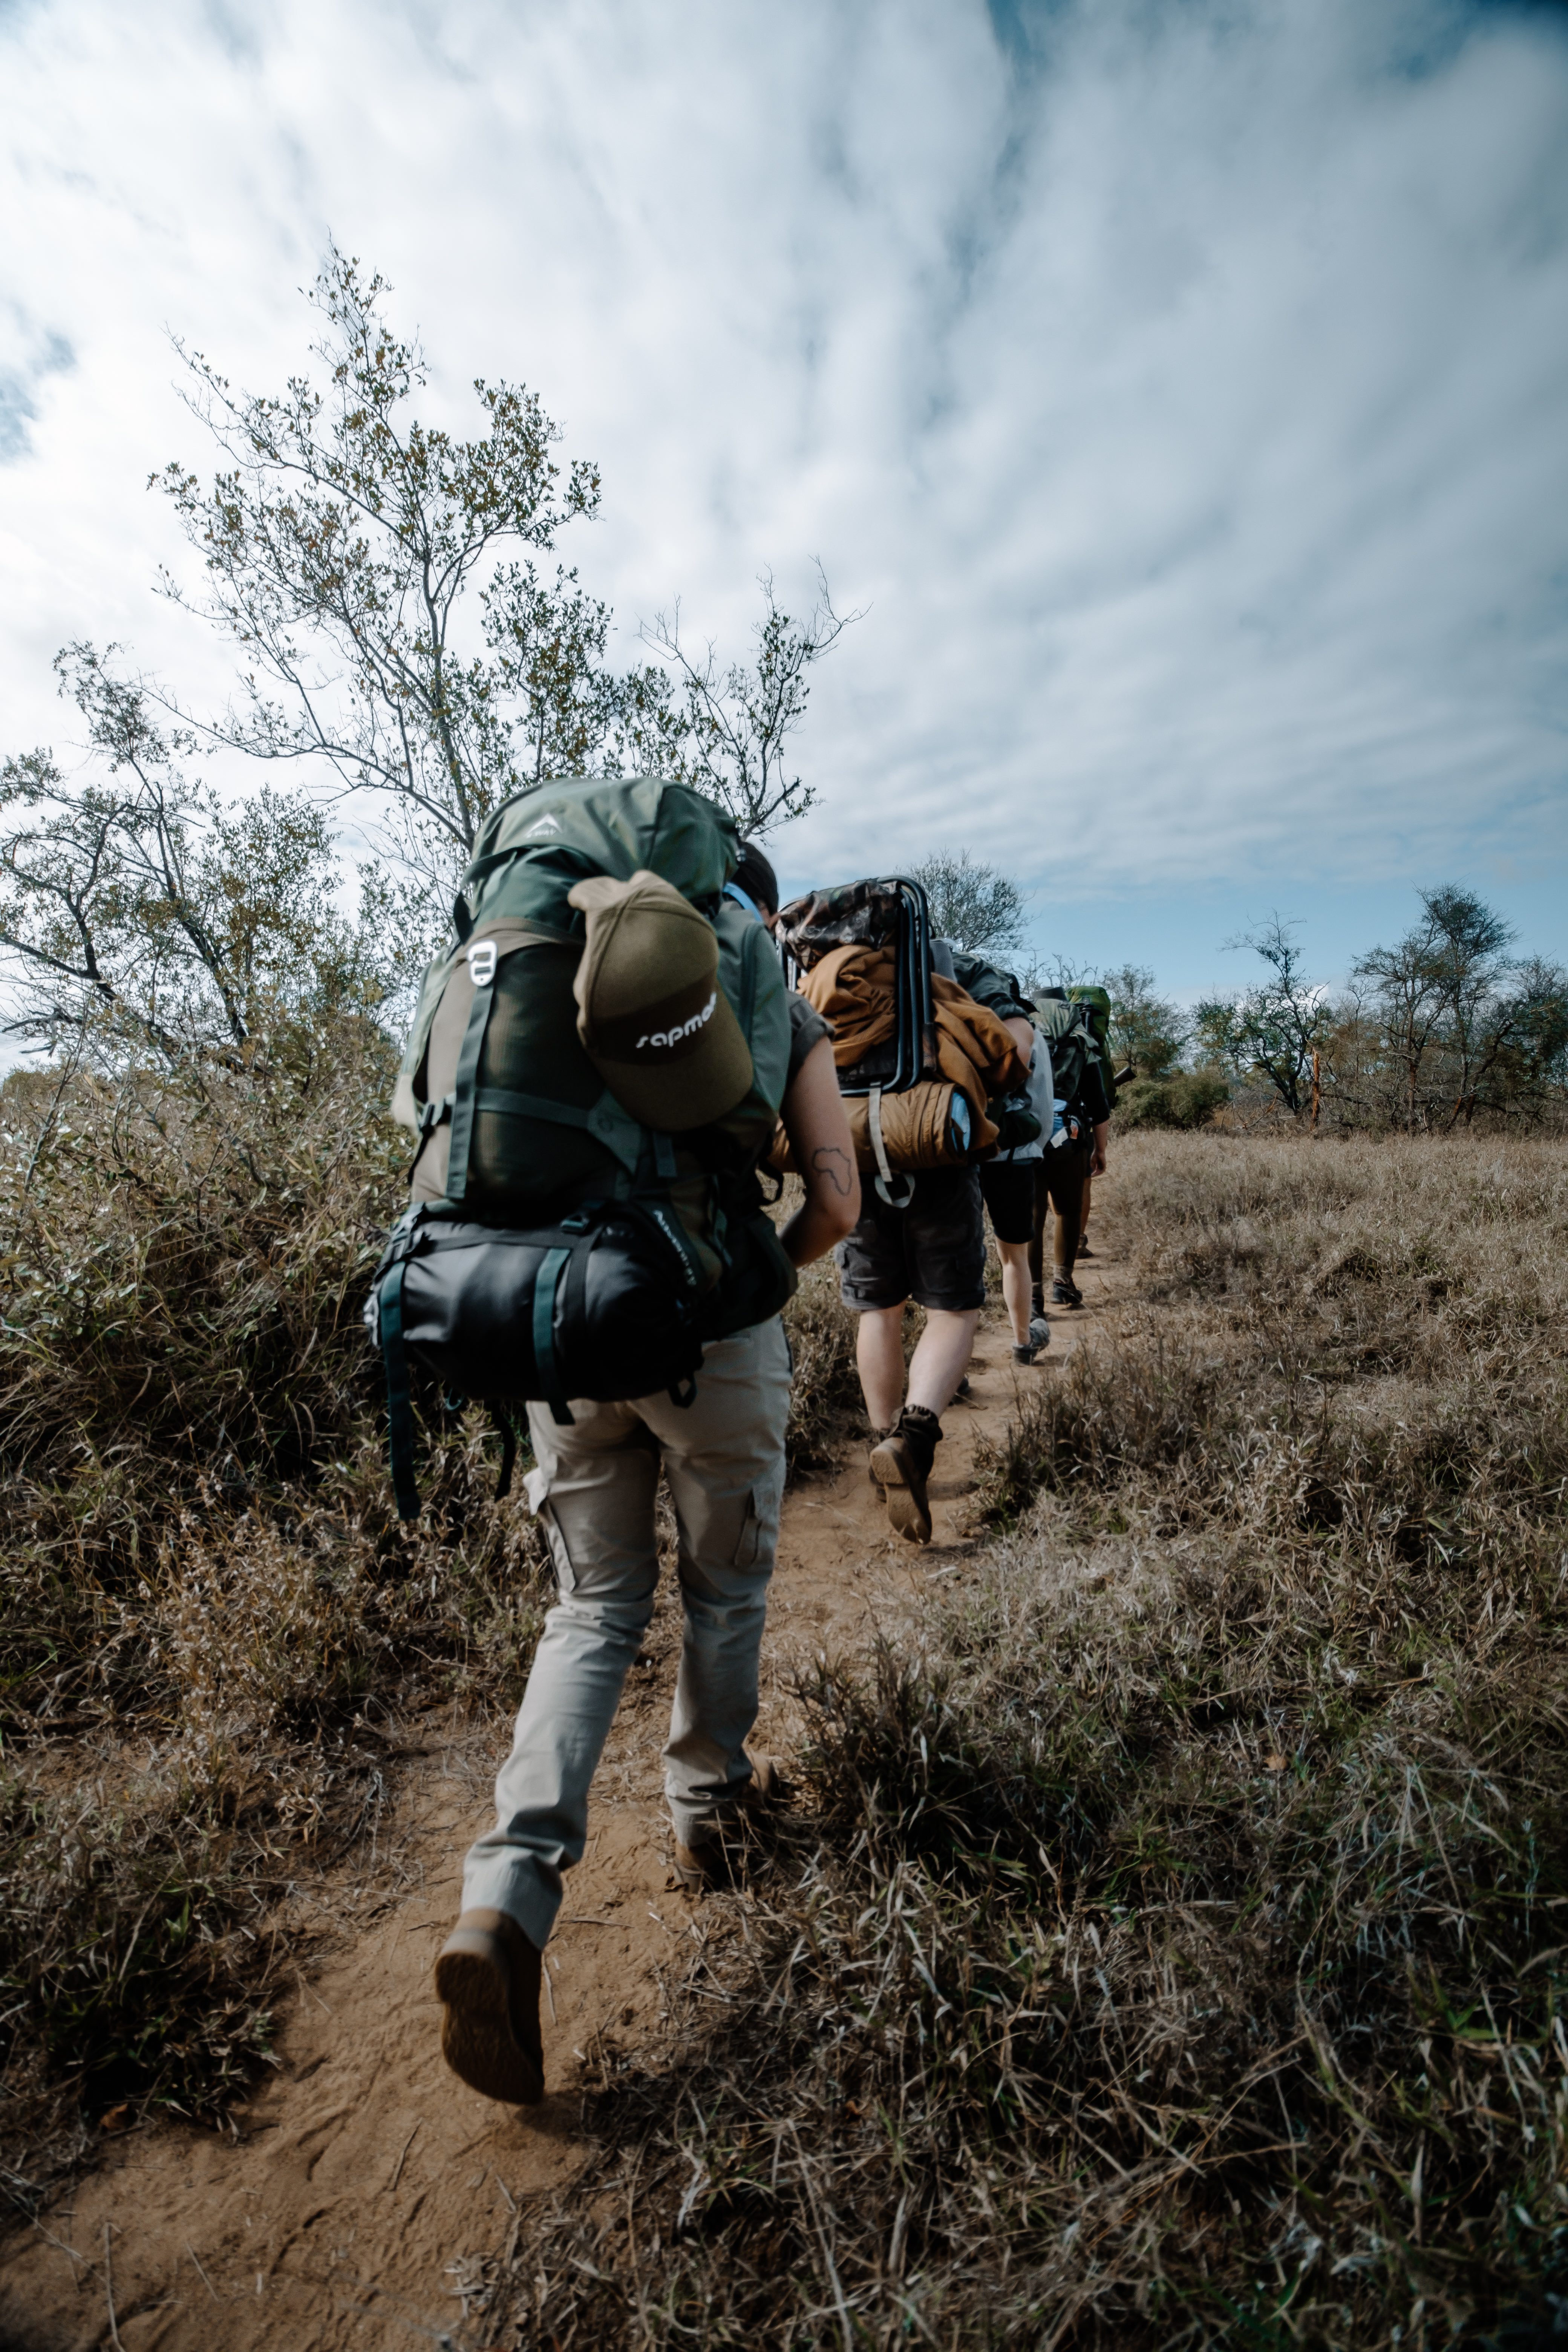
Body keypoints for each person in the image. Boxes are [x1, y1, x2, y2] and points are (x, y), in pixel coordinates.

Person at [432, 854, 859, 2111]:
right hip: (706, 1337)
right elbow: (835, 1200)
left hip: (558, 1330)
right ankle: (709, 1811)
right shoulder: (767, 990)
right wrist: (748, 1282)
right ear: (752, 907)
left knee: (590, 1610)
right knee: (725, 1590)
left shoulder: (534, 968)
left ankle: (504, 1897)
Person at [838, 940, 1034, 1544]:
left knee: (879, 1308)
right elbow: (1016, 1053)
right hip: (938, 1146)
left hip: (857, 1149)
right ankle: (914, 1439)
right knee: (952, 1310)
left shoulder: (838, 975)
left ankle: (881, 1440)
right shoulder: (962, 968)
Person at [978, 1013, 1054, 1365]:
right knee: (1013, 1257)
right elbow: (1042, 1099)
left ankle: (951, 1360)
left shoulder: (948, 1016)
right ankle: (1023, 1343)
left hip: (953, 1153)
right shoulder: (1026, 1031)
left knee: (952, 1257)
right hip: (1013, 1155)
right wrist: (1032, 1147)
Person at [1029, 993, 1110, 1314]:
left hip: (1027, 1136)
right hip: (1070, 1139)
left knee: (1034, 1217)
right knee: (1067, 1212)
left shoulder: (1021, 1029)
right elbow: (1098, 1105)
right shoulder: (1082, 1041)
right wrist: (1100, 1149)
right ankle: (1063, 1284)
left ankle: (1033, 1297)